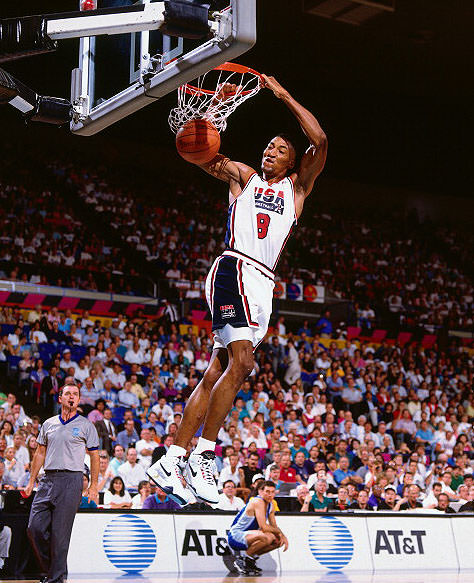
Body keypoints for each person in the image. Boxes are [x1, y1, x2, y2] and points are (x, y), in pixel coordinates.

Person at [147, 75, 327, 505]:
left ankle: (171, 458)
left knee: (218, 371)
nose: (271, 151)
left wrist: (283, 94)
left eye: (281, 149)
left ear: (290, 163)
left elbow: (319, 139)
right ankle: (203, 455)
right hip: (234, 268)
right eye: (268, 145)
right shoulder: (244, 178)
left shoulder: (296, 189)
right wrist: (206, 120)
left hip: (263, 283)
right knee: (243, 363)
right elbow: (198, 155)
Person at [25, 383, 99, 583]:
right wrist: (31, 481)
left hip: (71, 480)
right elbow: (40, 452)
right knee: (34, 528)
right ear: (60, 398)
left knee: (60, 536)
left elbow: (94, 457)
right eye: (68, 393)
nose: (72, 397)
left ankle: (55, 579)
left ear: (78, 399)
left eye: (75, 394)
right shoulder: (48, 424)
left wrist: (93, 486)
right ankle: (54, 572)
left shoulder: (86, 425)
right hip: (47, 479)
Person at [228, 481, 289, 575]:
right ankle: (242, 560)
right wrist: (279, 532)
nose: (270, 495)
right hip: (235, 536)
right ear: (260, 491)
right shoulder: (257, 501)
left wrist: (282, 536)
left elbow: (273, 526)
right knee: (265, 536)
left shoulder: (271, 504)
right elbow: (263, 527)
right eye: (267, 492)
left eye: (273, 492)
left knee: (277, 541)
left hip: (249, 535)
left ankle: (249, 560)